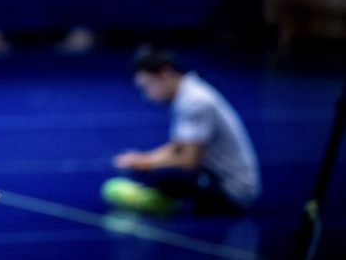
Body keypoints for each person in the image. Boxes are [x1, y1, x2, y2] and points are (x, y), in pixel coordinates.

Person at [104, 45, 261, 214]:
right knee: (146, 171)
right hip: (214, 176)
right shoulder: (186, 95)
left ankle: (158, 201)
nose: (147, 94)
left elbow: (188, 160)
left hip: (232, 191)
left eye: (147, 85)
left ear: (165, 73)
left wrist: (146, 163)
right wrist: (143, 159)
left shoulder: (195, 101)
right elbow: (177, 147)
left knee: (160, 177)